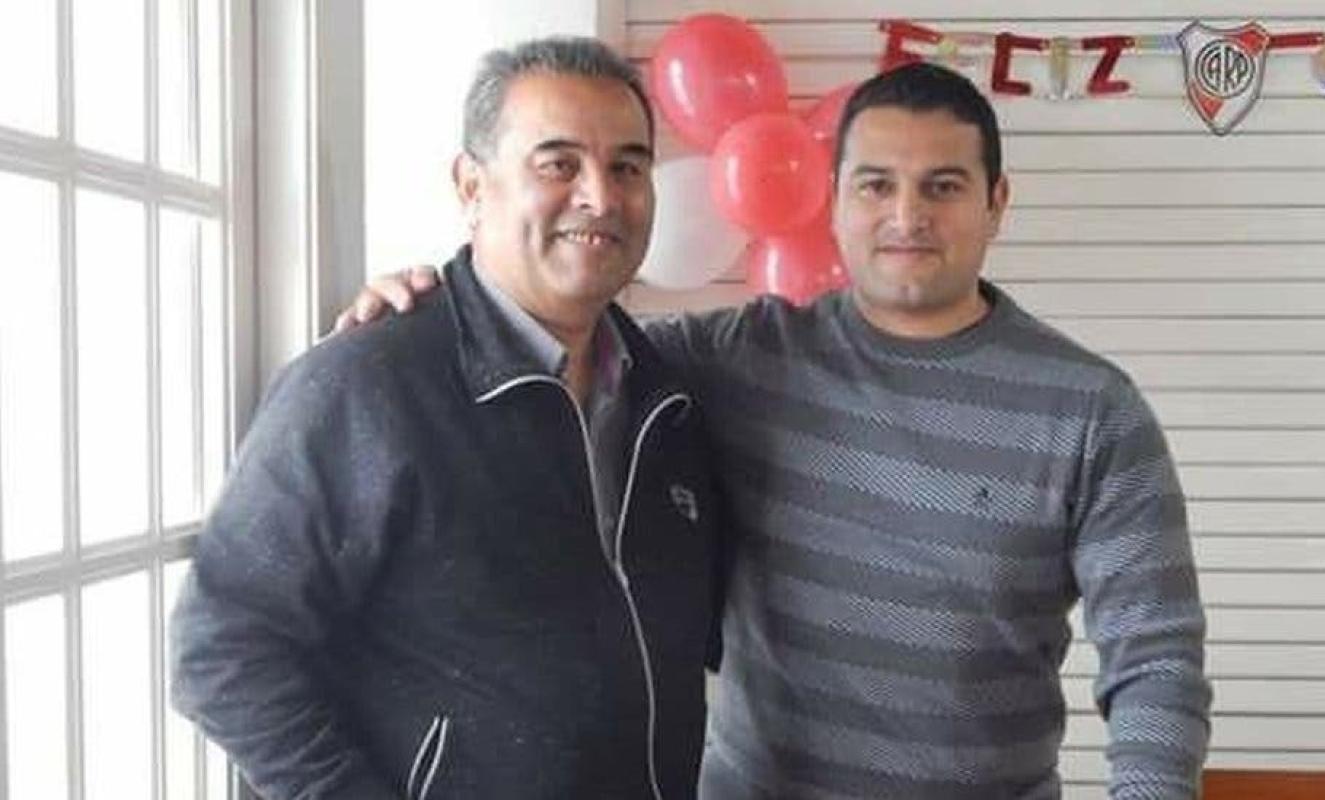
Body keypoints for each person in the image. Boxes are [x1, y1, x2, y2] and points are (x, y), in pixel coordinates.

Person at [340, 61, 1212, 799]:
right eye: (876, 184)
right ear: (834, 200)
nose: (907, 216)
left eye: (943, 186)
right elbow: (555, 332)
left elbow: (1157, 664)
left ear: (997, 201)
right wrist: (435, 307)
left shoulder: (1091, 410)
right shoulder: (740, 358)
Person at [170, 37, 722, 800]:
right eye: (558, 164)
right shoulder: (365, 386)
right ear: (471, 186)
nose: (600, 196)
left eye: (628, 167)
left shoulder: (669, 400)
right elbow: (220, 650)